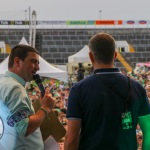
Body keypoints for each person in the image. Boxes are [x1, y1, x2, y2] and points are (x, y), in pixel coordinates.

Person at [64, 33, 150, 150]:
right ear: (115, 55)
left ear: (91, 56)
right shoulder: (137, 88)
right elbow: (148, 130)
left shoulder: (78, 90)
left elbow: (72, 138)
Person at [0, 44, 55, 150]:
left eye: (38, 63)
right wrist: (45, 108)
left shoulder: (3, 83)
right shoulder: (15, 88)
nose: (38, 68)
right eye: (33, 61)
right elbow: (24, 127)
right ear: (17, 61)